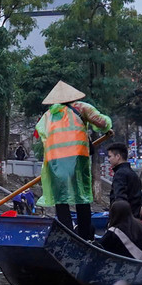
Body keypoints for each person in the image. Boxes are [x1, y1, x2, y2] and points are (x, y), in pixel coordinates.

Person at [33, 81, 111, 236]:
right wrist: (108, 127)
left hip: (55, 162)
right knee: (81, 195)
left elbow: (41, 135)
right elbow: (102, 123)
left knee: (61, 198)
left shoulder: (47, 116)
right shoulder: (81, 107)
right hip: (76, 159)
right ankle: (85, 235)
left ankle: (67, 233)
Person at [107, 144, 142, 216]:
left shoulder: (120, 174)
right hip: (134, 217)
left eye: (110, 156)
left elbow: (120, 199)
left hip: (123, 219)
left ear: (118, 156)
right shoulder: (132, 173)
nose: (108, 159)